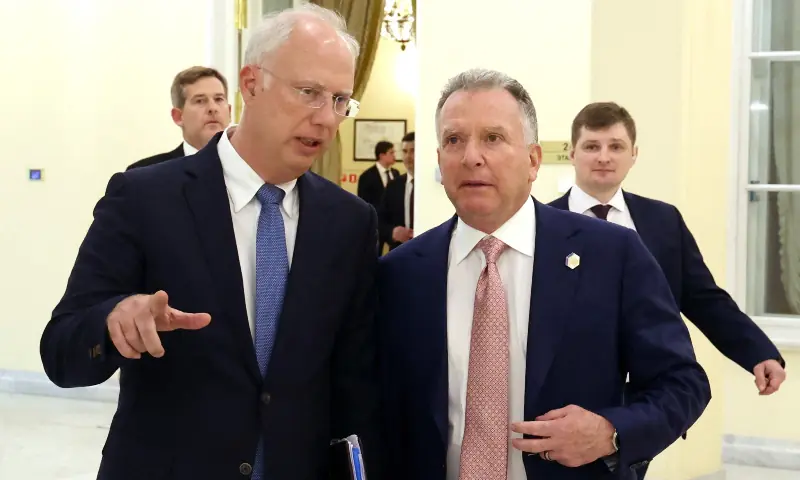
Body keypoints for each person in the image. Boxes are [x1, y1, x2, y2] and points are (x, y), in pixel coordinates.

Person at [40, 5, 382, 480]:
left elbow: (354, 384)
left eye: (341, 99)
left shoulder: (350, 223)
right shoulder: (144, 196)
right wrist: (114, 323)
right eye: (308, 92)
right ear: (251, 83)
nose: (326, 118)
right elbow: (61, 352)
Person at [377, 69, 711, 480]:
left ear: (533, 160)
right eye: (453, 140)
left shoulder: (613, 255)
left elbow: (683, 383)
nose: (471, 157)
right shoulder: (400, 273)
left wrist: (611, 432)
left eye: (493, 138)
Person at [548, 102, 786, 393]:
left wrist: (759, 352)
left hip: (650, 395)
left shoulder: (663, 221)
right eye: (592, 146)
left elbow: (703, 299)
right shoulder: (544, 226)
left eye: (616, 147)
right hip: (567, 393)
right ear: (572, 154)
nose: (604, 157)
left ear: (634, 155)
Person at [126, 66, 231, 170]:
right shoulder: (143, 175)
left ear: (229, 112)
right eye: (200, 101)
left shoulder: (244, 166)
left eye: (218, 99)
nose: (213, 108)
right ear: (178, 116)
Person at [378, 131, 415, 250]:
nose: (408, 156)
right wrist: (392, 232)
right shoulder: (393, 185)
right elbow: (379, 221)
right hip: (399, 252)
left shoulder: (436, 185)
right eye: (405, 151)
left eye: (413, 151)